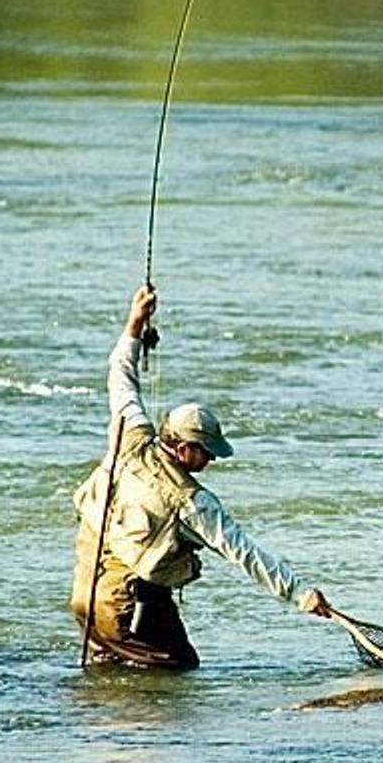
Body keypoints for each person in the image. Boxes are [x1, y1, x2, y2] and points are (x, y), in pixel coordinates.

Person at [70, 286, 331, 668]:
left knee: (109, 675)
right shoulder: (192, 503)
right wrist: (300, 594)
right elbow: (244, 553)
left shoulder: (131, 435)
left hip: (86, 600)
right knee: (176, 673)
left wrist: (135, 321)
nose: (211, 459)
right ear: (181, 448)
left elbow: (120, 373)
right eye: (205, 451)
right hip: (122, 611)